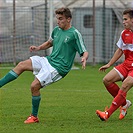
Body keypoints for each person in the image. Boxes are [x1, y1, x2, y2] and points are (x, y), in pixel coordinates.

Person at [0, 7, 88, 124]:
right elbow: (49, 43)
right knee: (21, 65)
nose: (58, 21)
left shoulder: (75, 34)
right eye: (57, 18)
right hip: (48, 60)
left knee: (34, 86)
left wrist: (84, 58)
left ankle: (34, 116)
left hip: (58, 68)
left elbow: (84, 50)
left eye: (61, 19)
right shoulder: (56, 30)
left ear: (68, 19)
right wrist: (38, 48)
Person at [96, 9, 133, 121]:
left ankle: (107, 114)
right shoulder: (124, 33)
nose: (123, 22)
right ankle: (124, 103)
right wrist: (109, 64)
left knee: (125, 84)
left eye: (126, 19)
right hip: (127, 64)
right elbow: (120, 50)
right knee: (107, 80)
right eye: (123, 19)